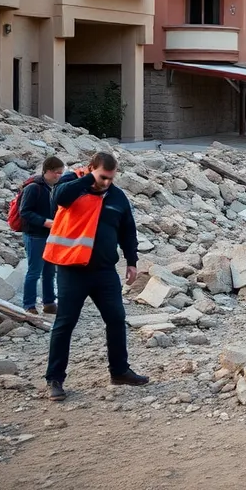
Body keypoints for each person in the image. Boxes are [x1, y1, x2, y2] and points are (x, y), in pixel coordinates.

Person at [43, 152, 148, 401]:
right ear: (91, 169)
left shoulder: (116, 196)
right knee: (65, 323)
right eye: (102, 177)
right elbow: (59, 198)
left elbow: (127, 229)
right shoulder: (71, 184)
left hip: (103, 272)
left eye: (111, 178)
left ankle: (119, 371)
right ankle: (55, 379)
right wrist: (87, 180)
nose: (106, 183)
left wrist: (132, 260)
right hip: (72, 270)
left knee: (116, 319)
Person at [16, 156, 70, 314]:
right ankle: (29, 305)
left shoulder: (51, 188)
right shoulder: (33, 188)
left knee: (49, 270)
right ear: (47, 171)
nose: (58, 176)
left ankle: (49, 303)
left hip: (49, 235)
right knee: (34, 270)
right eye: (56, 173)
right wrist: (44, 222)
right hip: (34, 235)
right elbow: (24, 212)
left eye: (61, 173)